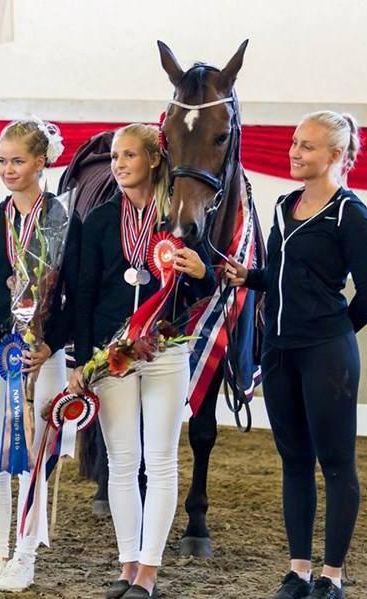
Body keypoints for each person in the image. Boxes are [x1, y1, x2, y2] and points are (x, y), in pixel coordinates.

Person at [226, 111, 367, 599]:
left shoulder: (349, 214)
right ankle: (298, 571)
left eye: (308, 146)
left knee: (336, 464)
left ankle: (332, 576)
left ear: (337, 155)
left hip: (325, 353)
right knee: (294, 461)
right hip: (279, 352)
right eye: (294, 143)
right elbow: (276, 274)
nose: (295, 152)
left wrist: (331, 338)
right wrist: (247, 276)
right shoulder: (282, 206)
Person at [68, 123, 215, 599]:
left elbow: (205, 281)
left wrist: (202, 272)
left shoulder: (181, 215)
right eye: (114, 156)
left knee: (162, 460)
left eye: (129, 155)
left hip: (166, 350)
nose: (118, 164)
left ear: (153, 159)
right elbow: (83, 293)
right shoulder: (99, 220)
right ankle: (127, 565)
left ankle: (149, 572)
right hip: (112, 356)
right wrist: (82, 359)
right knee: (122, 461)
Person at [0, 118, 81, 593]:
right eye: (2, 160)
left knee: (31, 455)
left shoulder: (67, 222)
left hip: (41, 356)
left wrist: (52, 344)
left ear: (41, 161)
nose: (7, 169)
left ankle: (25, 554)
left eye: (17, 160)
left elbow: (79, 296)